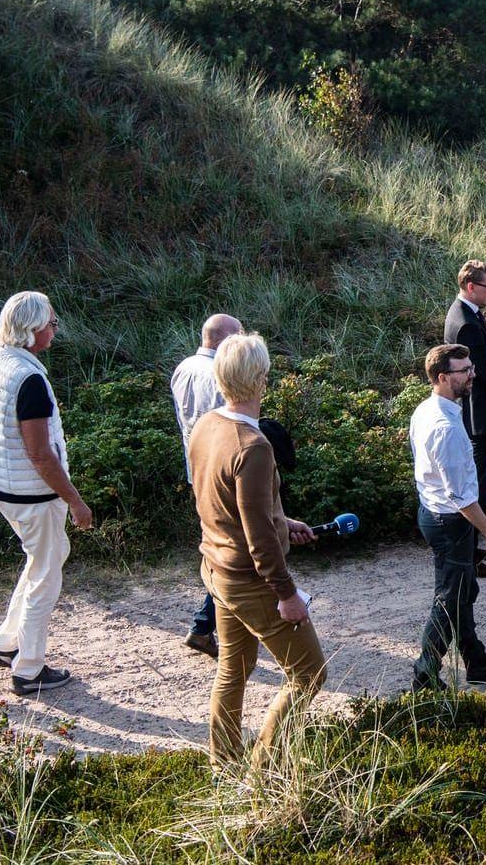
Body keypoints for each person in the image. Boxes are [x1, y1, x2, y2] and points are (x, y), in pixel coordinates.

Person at [187, 333, 324, 768]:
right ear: (262, 380)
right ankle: (265, 767)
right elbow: (259, 536)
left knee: (233, 666)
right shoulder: (255, 446)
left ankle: (223, 761)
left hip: (216, 568)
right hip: (252, 581)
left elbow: (224, 501)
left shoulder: (207, 425)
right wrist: (286, 594)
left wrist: (284, 520)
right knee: (309, 673)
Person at [0, 291, 92, 695]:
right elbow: (39, 453)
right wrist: (75, 500)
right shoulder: (30, 380)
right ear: (33, 329)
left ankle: (5, 644)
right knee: (47, 574)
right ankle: (29, 668)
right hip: (32, 493)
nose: (55, 330)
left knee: (43, 558)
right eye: (51, 323)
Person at [410, 344, 486, 690]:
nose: (473, 374)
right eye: (465, 371)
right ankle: (425, 674)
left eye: (472, 367)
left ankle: (475, 659)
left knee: (463, 589)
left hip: (435, 515)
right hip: (449, 522)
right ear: (443, 377)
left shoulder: (428, 410)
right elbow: (462, 499)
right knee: (450, 598)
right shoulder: (446, 428)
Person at [170, 313, 244, 660]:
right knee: (236, 547)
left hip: (195, 466)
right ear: (226, 339)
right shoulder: (222, 376)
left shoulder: (183, 367)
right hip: (222, 472)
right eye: (239, 336)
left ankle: (206, 624)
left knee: (221, 544)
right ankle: (204, 625)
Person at [444, 260, 486, 579]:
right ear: (471, 286)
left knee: (478, 483)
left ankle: (471, 549)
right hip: (480, 416)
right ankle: (469, 554)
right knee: (477, 487)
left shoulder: (470, 315)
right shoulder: (466, 322)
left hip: (480, 413)